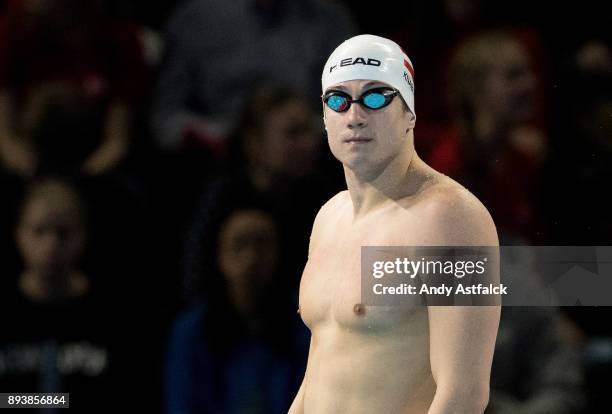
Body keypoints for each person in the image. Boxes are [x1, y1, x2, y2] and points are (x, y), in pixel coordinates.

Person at [289, 34, 500, 413]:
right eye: (338, 99)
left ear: (410, 113)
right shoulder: (328, 218)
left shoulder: (450, 218)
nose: (354, 115)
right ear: (324, 117)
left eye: (375, 97)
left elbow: (464, 393)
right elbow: (320, 373)